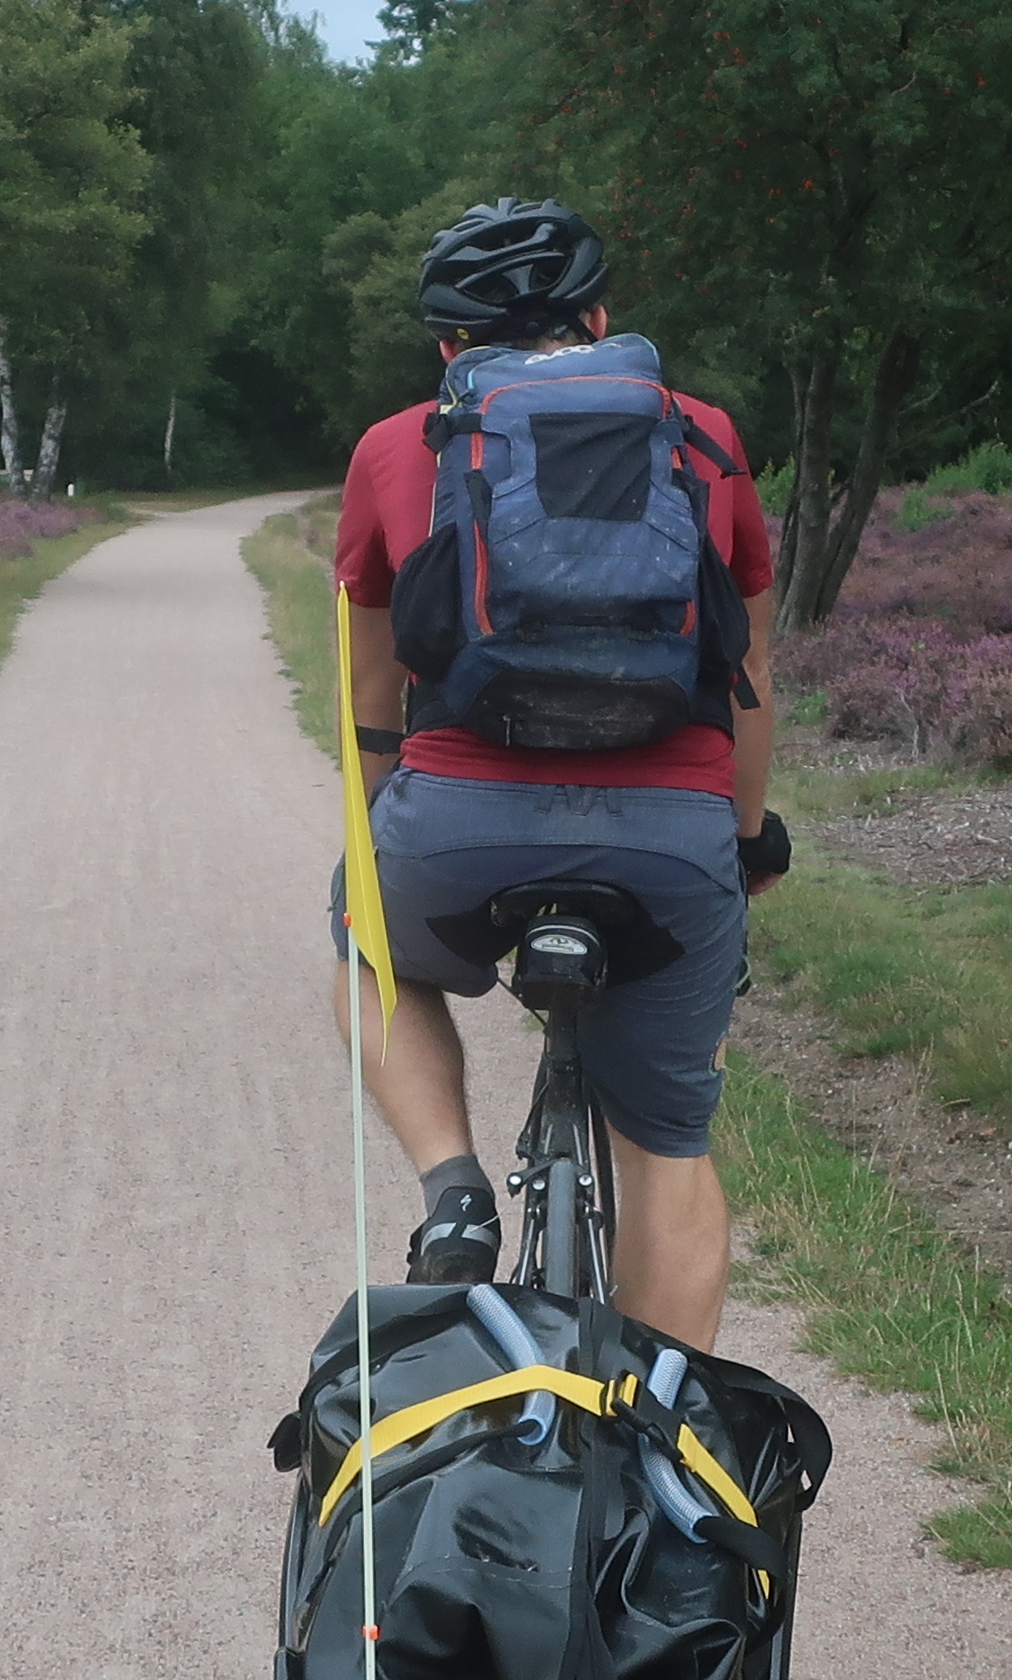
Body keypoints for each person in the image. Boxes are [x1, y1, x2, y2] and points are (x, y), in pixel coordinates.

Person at [325, 199, 787, 1347]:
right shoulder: (705, 434)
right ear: (600, 316)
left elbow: (370, 693)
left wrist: (382, 838)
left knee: (362, 942)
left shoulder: (398, 446)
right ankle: (657, 1455)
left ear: (449, 349)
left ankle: (455, 1190)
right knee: (668, 1151)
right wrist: (744, 834)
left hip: (460, 821)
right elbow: (752, 669)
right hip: (671, 831)